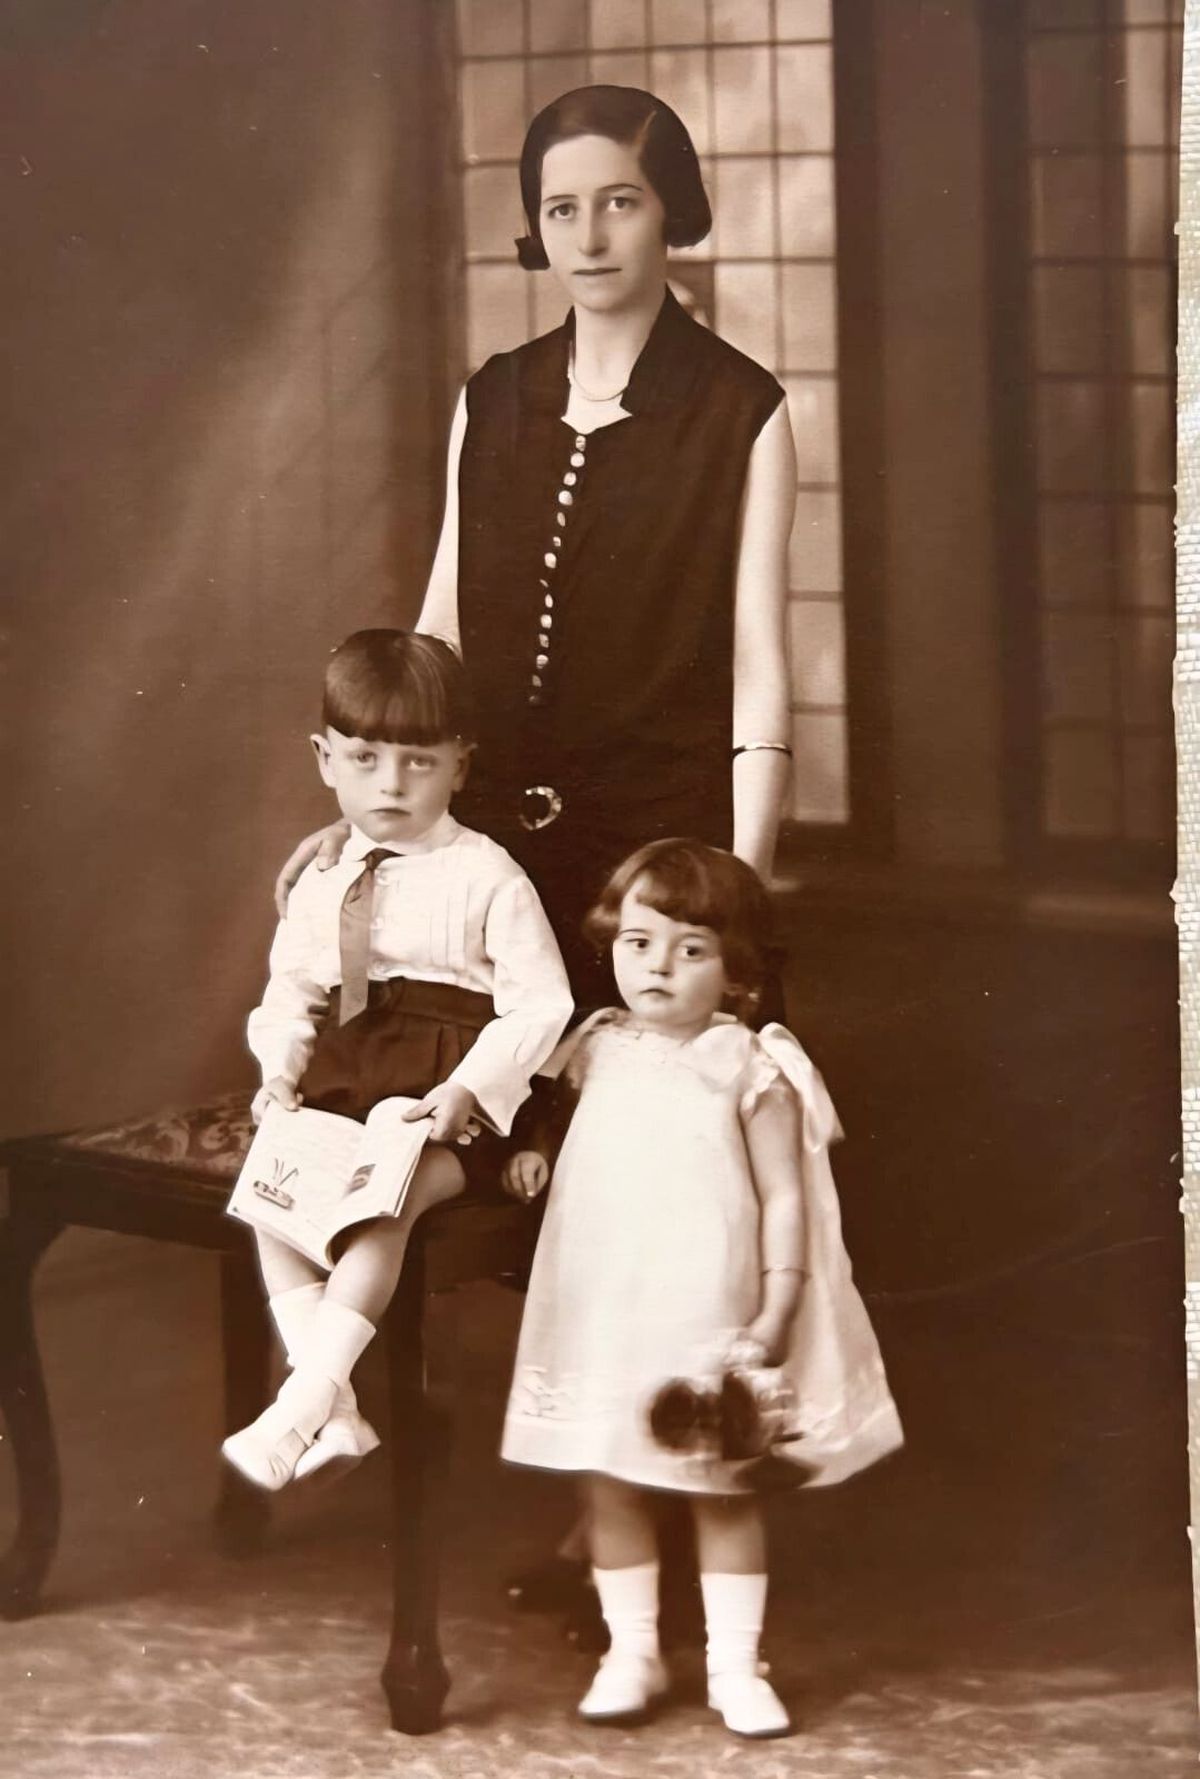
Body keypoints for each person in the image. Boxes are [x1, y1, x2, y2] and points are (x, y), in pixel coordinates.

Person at [272, 83, 796, 1616]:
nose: (590, 234)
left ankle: (637, 1510)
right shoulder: (492, 398)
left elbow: (760, 667)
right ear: (534, 226)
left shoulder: (742, 406)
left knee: (646, 1186)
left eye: (620, 199)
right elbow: (439, 629)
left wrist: (733, 897)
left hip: (656, 873)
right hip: (496, 854)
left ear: (671, 207)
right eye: (561, 207)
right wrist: (377, 816)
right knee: (478, 1152)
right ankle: (534, 1462)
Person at [499, 840, 904, 1739]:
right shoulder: (594, 1048)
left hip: (706, 1311)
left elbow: (785, 1195)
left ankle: (734, 1665)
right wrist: (534, 1150)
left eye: (691, 950)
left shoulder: (750, 1064)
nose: (659, 967)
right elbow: (560, 1126)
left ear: (737, 972)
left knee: (722, 1487)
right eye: (639, 943)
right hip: (606, 1306)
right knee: (610, 1479)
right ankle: (631, 1650)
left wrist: (778, 1303)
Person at [223, 629, 573, 1492]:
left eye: (419, 761)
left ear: (460, 764)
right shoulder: (323, 879)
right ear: (325, 759)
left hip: (448, 1099)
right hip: (345, 1079)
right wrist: (278, 1072)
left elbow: (541, 1003)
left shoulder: (488, 874)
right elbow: (290, 993)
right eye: (365, 758)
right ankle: (334, 1408)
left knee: (389, 1197)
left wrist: (467, 1088)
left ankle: (300, 1405)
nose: (390, 783)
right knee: (272, 1196)